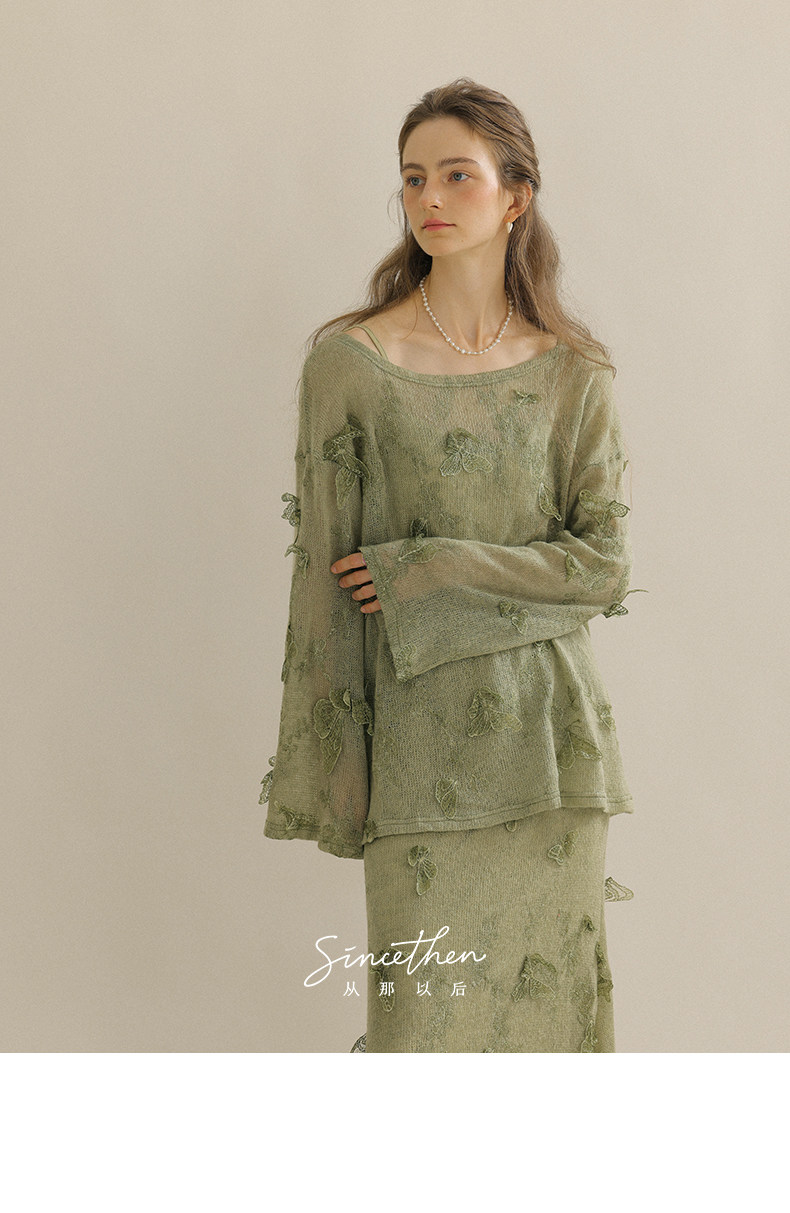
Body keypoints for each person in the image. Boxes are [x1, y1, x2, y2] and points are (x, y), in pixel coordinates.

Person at [260, 78, 641, 1052]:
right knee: (421, 1043)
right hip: (418, 762)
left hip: (551, 756)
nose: (429, 197)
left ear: (516, 196)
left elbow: (601, 568)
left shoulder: (574, 374)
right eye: (412, 177)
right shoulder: (350, 365)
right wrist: (339, 780)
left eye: (456, 175)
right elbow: (321, 597)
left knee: (551, 1040)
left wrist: (426, 568)